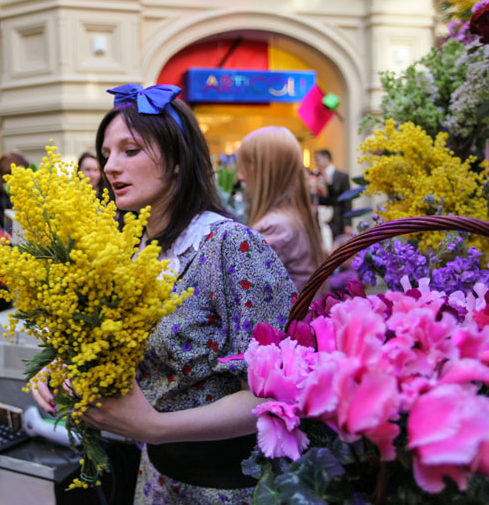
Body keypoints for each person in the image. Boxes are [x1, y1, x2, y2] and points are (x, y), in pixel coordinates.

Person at [31, 83, 295, 503]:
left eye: (130, 151)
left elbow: (280, 393)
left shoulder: (230, 246)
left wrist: (155, 427)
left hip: (232, 489)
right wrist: (67, 367)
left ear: (176, 159)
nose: (111, 167)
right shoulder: (126, 253)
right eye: (106, 155)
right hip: (157, 479)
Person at [236, 127, 325, 293]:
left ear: (265, 171)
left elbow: (242, 293)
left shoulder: (276, 227)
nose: (241, 177)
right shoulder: (290, 219)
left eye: (245, 166)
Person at [314, 149, 352, 239]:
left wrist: (348, 224)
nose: (316, 163)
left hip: (338, 219)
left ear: (326, 158)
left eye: (317, 160)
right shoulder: (315, 176)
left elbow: (347, 202)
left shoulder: (342, 176)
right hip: (321, 219)